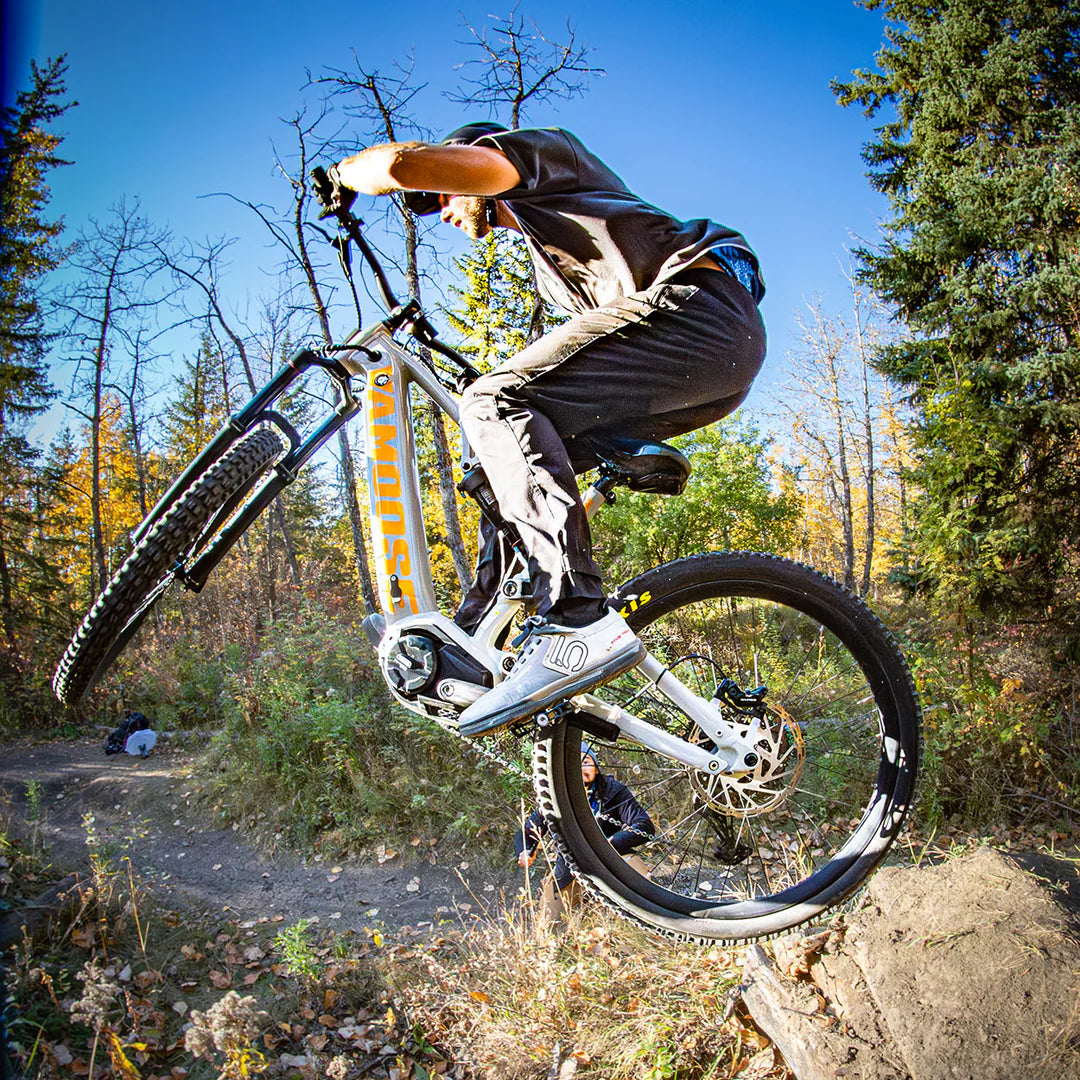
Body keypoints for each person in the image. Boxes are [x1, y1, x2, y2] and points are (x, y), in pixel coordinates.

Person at [328, 122, 766, 737]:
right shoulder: (553, 261)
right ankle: (480, 645)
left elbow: (402, 167)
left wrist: (343, 175)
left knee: (493, 400)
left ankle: (575, 616)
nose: (437, 212)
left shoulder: (541, 159)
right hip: (699, 363)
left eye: (441, 197)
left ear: (475, 160)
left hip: (699, 311)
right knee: (499, 464)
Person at [515, 743, 654, 923]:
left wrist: (610, 844)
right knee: (548, 921)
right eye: (574, 764)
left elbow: (644, 825)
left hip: (614, 859)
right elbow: (528, 830)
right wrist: (525, 850)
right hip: (570, 868)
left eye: (586, 762)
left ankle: (638, 926)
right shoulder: (554, 796)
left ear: (596, 768)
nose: (581, 768)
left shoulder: (613, 790)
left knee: (641, 885)